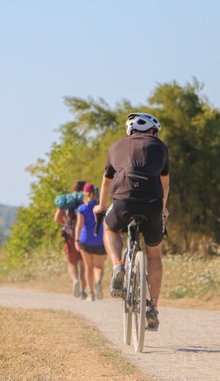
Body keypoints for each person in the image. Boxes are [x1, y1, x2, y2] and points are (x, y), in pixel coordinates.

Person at [93, 113, 169, 331]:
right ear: (153, 132)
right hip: (153, 203)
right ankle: (152, 308)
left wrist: (101, 206)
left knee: (109, 228)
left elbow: (106, 183)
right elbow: (165, 184)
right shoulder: (161, 147)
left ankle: (118, 266)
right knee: (154, 254)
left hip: (122, 202)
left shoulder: (115, 146)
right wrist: (163, 209)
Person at [54, 180, 87, 299]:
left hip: (70, 236)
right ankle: (83, 290)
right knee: (84, 265)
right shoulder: (86, 200)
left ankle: (75, 281)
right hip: (84, 235)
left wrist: (66, 224)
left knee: (72, 263)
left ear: (74, 189)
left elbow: (57, 218)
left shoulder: (66, 200)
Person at [75, 183, 107, 301]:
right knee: (98, 266)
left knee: (88, 267)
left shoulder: (82, 208)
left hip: (85, 240)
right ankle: (98, 281)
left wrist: (77, 240)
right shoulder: (100, 207)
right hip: (100, 240)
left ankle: (91, 293)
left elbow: (79, 226)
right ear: (95, 193)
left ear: (84, 194)